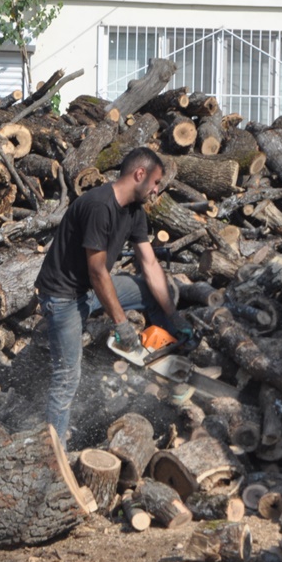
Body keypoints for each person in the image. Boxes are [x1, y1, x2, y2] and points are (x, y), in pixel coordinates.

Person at [35, 147, 184, 442]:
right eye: (155, 183)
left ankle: (160, 352)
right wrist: (121, 323)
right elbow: (98, 272)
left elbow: (150, 264)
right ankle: (54, 451)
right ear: (139, 175)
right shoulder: (99, 206)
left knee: (152, 291)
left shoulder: (134, 211)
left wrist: (174, 317)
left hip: (90, 290)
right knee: (68, 378)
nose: (156, 191)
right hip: (63, 297)